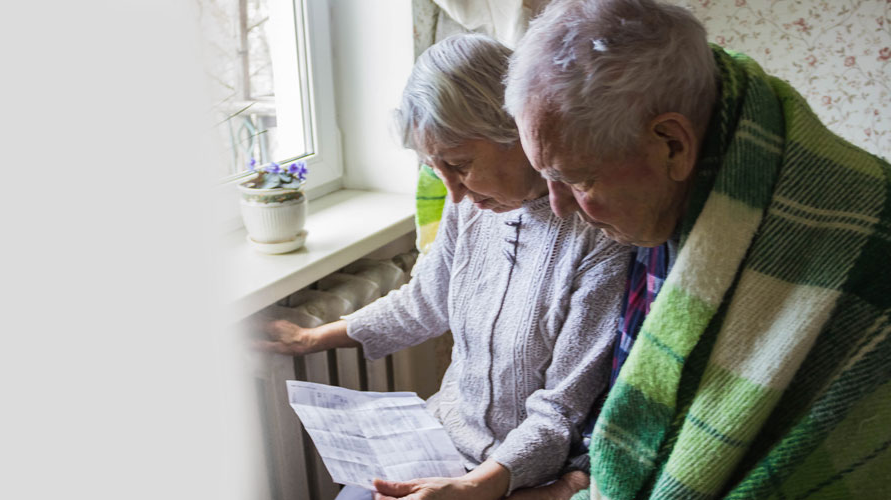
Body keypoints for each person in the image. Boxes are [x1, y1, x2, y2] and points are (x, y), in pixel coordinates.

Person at [501, 0, 891, 498]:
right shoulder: (665, 198)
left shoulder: (862, 219)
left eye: (578, 179)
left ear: (672, 143)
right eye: (547, 178)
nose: (560, 207)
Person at [259, 33, 633, 500]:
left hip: (523, 474)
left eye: (460, 164)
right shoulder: (471, 206)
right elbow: (425, 301)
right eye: (436, 168)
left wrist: (475, 486)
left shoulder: (600, 235)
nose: (453, 193)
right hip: (439, 440)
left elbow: (561, 410)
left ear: (518, 132)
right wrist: (311, 338)